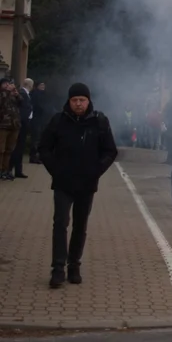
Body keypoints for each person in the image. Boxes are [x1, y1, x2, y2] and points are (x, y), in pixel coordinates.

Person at [37, 83, 118, 288]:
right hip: (63, 183)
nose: (78, 104)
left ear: (88, 101)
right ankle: (58, 269)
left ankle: (74, 266)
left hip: (87, 183)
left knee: (80, 226)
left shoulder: (99, 122)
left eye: (82, 100)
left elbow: (110, 151)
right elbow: (44, 148)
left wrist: (96, 170)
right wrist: (55, 169)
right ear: (69, 101)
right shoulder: (58, 121)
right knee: (60, 224)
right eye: (75, 100)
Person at [8, 77, 33, 178]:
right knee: (17, 148)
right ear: (30, 85)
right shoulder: (22, 93)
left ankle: (18, 170)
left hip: (24, 123)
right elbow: (22, 108)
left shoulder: (25, 93)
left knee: (20, 148)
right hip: (21, 123)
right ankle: (10, 169)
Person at [0, 79, 21, 180]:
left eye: (8, 83)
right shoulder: (2, 94)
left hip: (14, 125)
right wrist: (7, 91)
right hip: (3, 126)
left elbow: (21, 103)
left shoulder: (11, 95)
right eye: (5, 83)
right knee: (1, 149)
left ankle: (5, 170)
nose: (8, 85)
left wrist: (16, 94)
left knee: (9, 150)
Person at [28, 81, 49, 164]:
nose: (43, 86)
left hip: (41, 119)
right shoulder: (35, 94)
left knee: (40, 138)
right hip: (36, 119)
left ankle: (37, 156)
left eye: (44, 85)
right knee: (36, 138)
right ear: (37, 86)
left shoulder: (43, 94)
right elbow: (37, 106)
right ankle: (33, 157)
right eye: (41, 85)